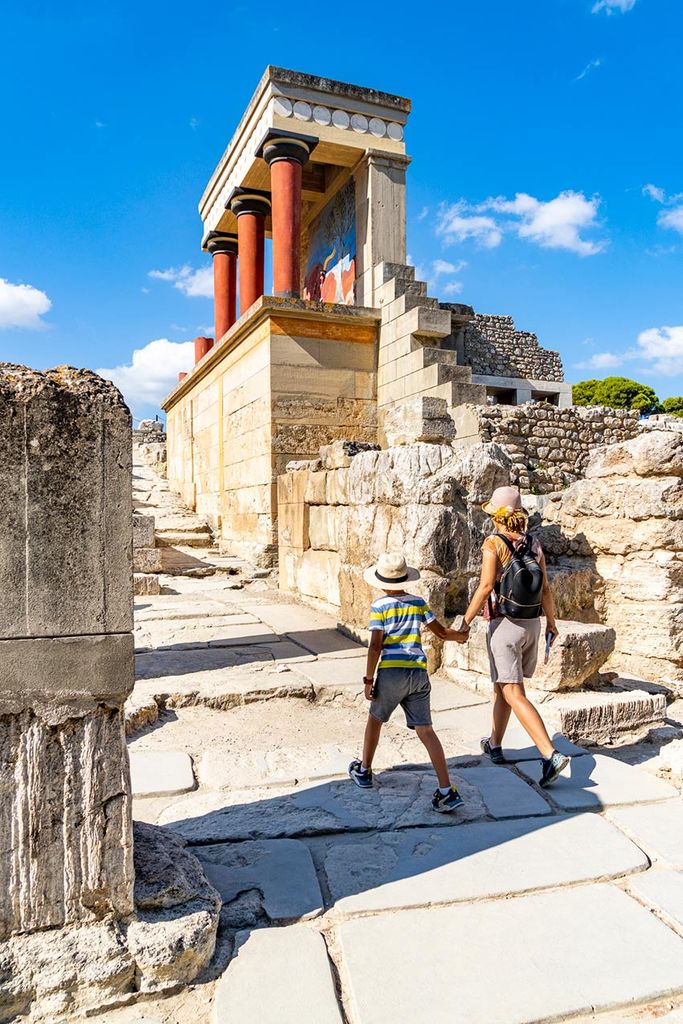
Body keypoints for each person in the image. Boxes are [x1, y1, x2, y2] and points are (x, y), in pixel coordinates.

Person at [459, 486, 569, 788]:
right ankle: (495, 744)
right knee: (502, 686)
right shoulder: (534, 543)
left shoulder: (494, 543)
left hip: (504, 625)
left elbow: (484, 588)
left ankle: (550, 754)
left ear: (496, 516)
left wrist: (465, 622)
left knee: (514, 692)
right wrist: (552, 623)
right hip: (532, 623)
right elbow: (545, 588)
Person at [348, 553, 469, 812]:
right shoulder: (418, 603)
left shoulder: (380, 606)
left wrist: (369, 679)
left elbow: (375, 646)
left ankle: (365, 770)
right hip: (418, 672)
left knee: (375, 720)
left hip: (392, 672)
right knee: (426, 730)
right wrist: (460, 636)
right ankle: (447, 789)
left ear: (381, 581)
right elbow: (441, 632)